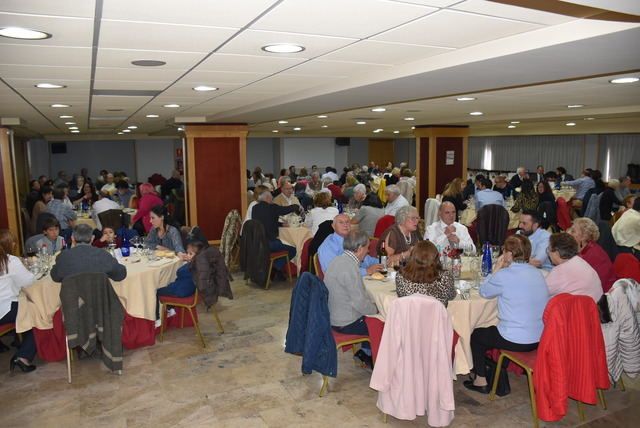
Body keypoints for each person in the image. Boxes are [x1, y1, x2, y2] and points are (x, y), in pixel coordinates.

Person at [465, 235, 549, 393]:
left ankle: (480, 380)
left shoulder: (504, 276)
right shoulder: (537, 273)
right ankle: (495, 367)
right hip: (539, 337)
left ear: (509, 254)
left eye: (505, 250)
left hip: (515, 339)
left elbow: (484, 292)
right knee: (492, 326)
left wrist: (496, 269)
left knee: (476, 335)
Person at [324, 230, 378, 366]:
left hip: (334, 315)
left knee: (372, 314)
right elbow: (359, 303)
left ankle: (365, 353)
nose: (368, 251)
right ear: (359, 249)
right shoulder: (350, 267)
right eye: (367, 248)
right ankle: (377, 362)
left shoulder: (338, 260)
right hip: (345, 322)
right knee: (382, 323)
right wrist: (377, 309)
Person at [0, 229, 38, 373]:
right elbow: (28, 280)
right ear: (10, 244)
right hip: (4, 308)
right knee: (36, 313)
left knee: (22, 308)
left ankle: (18, 340)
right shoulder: (10, 260)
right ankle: (23, 356)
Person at [51, 224, 127, 282]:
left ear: (72, 239)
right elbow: (121, 274)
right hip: (101, 300)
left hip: (72, 301)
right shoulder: (103, 255)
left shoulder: (64, 257)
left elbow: (55, 276)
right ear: (92, 238)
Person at [545, 232, 603, 302]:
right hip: (597, 307)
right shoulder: (579, 261)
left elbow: (541, 290)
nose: (548, 252)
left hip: (583, 310)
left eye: (549, 249)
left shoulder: (560, 272)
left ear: (556, 253)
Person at [251, 191, 300, 272]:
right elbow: (286, 210)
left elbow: (264, 222)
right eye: (271, 198)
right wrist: (296, 206)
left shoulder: (255, 208)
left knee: (283, 244)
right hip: (270, 243)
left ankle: (275, 269)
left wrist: (280, 224)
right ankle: (275, 267)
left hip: (257, 242)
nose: (272, 200)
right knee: (293, 249)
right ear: (267, 198)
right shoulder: (272, 207)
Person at [395, 240, 456, 306]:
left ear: (412, 256)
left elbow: (400, 296)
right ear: (436, 257)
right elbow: (451, 296)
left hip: (409, 315)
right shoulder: (445, 277)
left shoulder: (401, 276)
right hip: (436, 316)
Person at [568, 218, 617, 292]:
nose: (568, 233)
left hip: (602, 295)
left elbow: (595, 285)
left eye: (573, 231)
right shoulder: (582, 249)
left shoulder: (595, 255)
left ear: (584, 236)